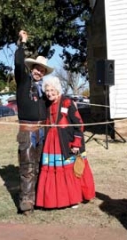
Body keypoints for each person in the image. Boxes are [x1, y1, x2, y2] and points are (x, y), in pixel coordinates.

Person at [36, 76, 95, 209]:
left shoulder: (67, 102)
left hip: (66, 142)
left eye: (52, 90)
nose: (49, 93)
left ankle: (74, 199)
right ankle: (52, 200)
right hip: (51, 143)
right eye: (47, 90)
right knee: (54, 170)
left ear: (57, 90)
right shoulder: (46, 103)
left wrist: (76, 144)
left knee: (70, 171)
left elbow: (79, 125)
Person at [14, 30, 54, 215]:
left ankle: (37, 199)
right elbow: (18, 64)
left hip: (42, 132)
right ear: (32, 68)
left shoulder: (43, 88)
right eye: (37, 68)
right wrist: (22, 43)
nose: (39, 71)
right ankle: (26, 204)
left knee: (39, 166)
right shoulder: (23, 81)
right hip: (28, 131)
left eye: (42, 70)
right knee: (27, 169)